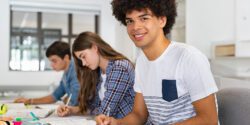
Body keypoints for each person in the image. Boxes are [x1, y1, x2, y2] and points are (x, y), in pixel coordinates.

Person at [96, 0, 219, 125]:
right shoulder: (142, 62)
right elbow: (139, 115)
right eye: (130, 21)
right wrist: (116, 123)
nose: (135, 27)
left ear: (162, 20)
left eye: (144, 18)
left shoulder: (189, 57)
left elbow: (209, 120)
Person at [56, 31, 135, 119]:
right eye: (80, 59)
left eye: (83, 56)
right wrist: (71, 110)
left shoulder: (119, 67)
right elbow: (94, 108)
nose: (83, 63)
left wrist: (88, 111)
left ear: (94, 47)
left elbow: (105, 112)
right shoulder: (98, 71)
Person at [14, 41, 80, 106]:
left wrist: (66, 99)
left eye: (54, 61)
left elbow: (74, 102)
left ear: (66, 57)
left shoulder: (75, 71)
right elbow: (55, 96)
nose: (51, 65)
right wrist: (30, 101)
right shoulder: (66, 73)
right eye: (51, 61)